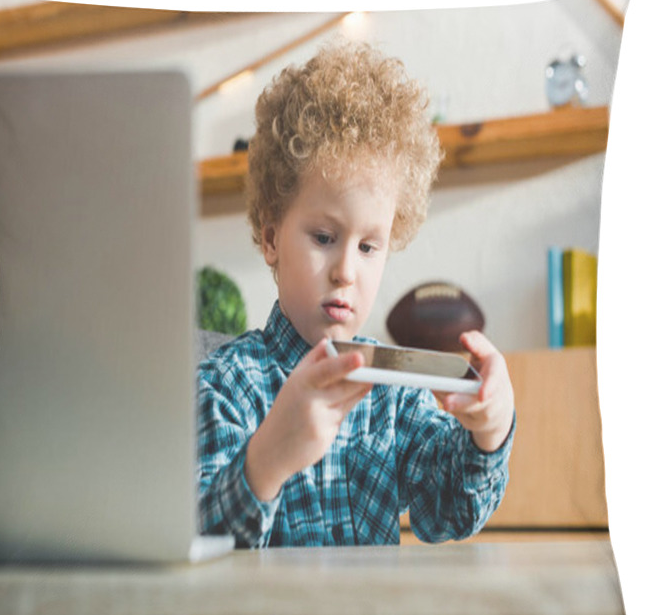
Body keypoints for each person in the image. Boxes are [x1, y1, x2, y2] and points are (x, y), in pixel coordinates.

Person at [197, 40, 515, 547]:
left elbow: (449, 510)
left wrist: (491, 428)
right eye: (324, 238)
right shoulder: (224, 387)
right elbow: (199, 542)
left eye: (369, 246)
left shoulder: (390, 392)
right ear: (273, 237)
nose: (346, 270)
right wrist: (268, 459)